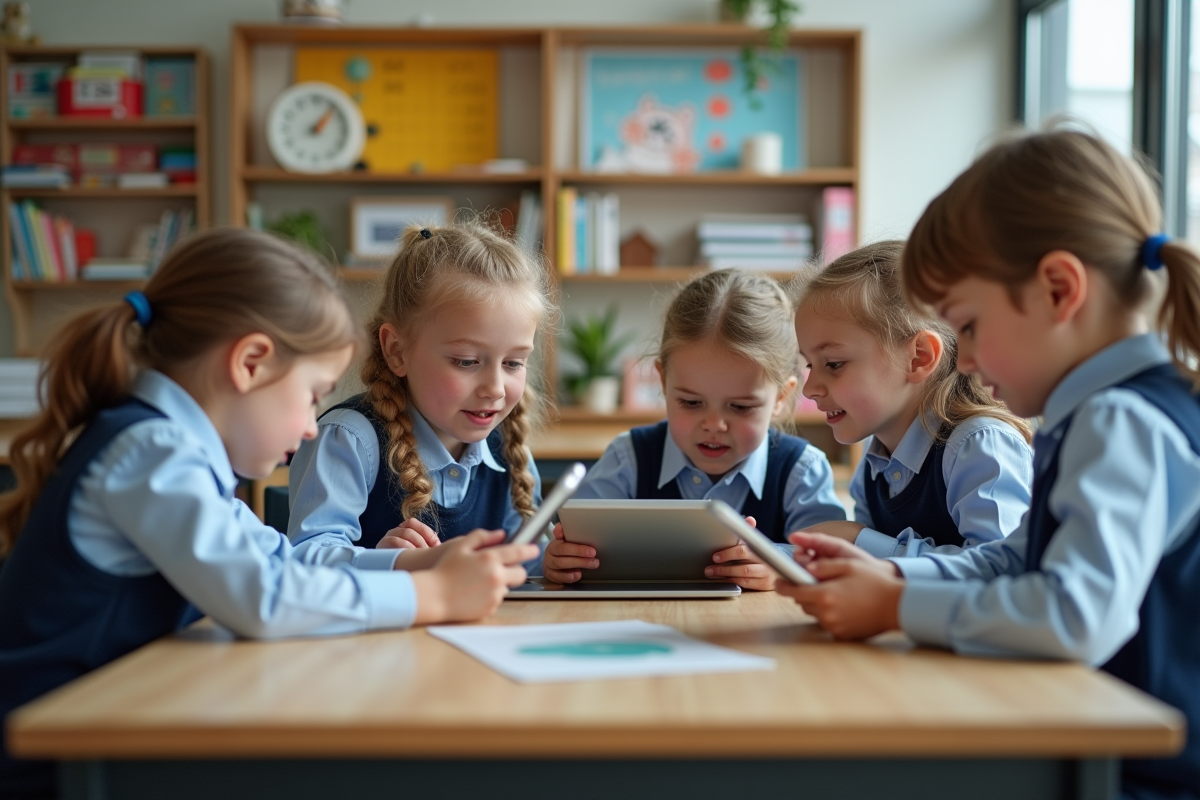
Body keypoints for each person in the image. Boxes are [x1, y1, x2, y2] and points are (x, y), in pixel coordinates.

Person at [0, 229, 537, 799]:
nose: (311, 425)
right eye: (311, 395)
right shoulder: (150, 454)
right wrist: (430, 598)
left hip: (106, 738)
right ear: (250, 363)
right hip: (48, 765)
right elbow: (263, 597)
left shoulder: (173, 455)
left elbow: (279, 560)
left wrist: (417, 569)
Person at [779, 128, 1200, 800]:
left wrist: (899, 604)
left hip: (1139, 774)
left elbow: (1075, 615)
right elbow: (1014, 557)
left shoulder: (1120, 422)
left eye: (968, 326)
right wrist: (890, 575)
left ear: (1059, 290)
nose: (964, 359)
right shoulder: (1101, 416)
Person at [544, 268, 846, 591]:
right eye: (691, 402)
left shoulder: (801, 470)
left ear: (782, 397)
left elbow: (831, 564)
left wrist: (782, 565)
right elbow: (570, 545)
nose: (714, 425)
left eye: (741, 407)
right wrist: (559, 560)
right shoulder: (628, 459)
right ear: (662, 381)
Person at [288, 221, 553, 563]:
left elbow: (526, 562)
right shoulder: (348, 440)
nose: (495, 388)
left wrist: (553, 561)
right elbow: (305, 560)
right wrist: (387, 562)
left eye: (514, 363)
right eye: (467, 361)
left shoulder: (509, 452)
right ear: (397, 351)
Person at [791, 240, 1033, 558]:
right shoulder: (874, 459)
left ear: (918, 358)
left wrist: (859, 540)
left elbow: (1001, 570)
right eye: (810, 365)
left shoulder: (978, 444)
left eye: (833, 364)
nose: (810, 389)